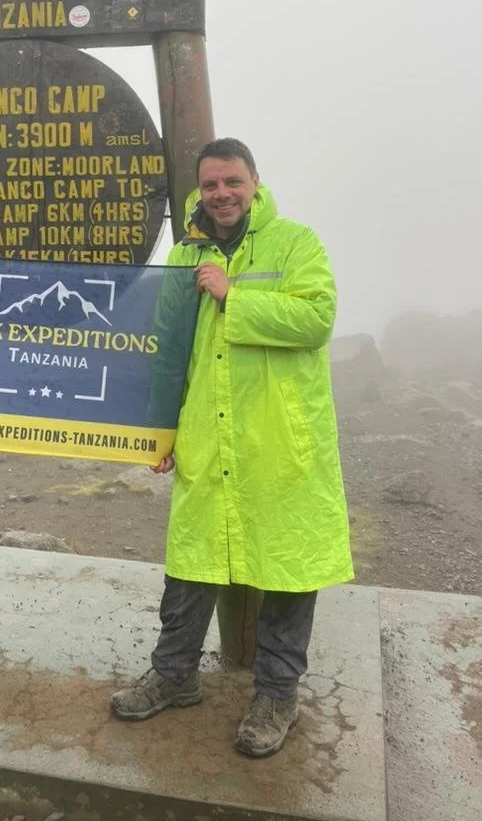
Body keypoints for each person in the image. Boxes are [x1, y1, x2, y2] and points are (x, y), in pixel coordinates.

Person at [111, 138, 353, 758]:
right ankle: (173, 677)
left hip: (279, 441)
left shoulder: (295, 242)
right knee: (191, 563)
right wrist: (162, 431)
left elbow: (317, 318)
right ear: (200, 189)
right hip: (207, 432)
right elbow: (168, 348)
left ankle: (277, 696)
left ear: (254, 183)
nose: (221, 194)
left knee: (288, 570)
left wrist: (233, 294)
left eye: (233, 182)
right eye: (211, 184)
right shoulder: (185, 251)